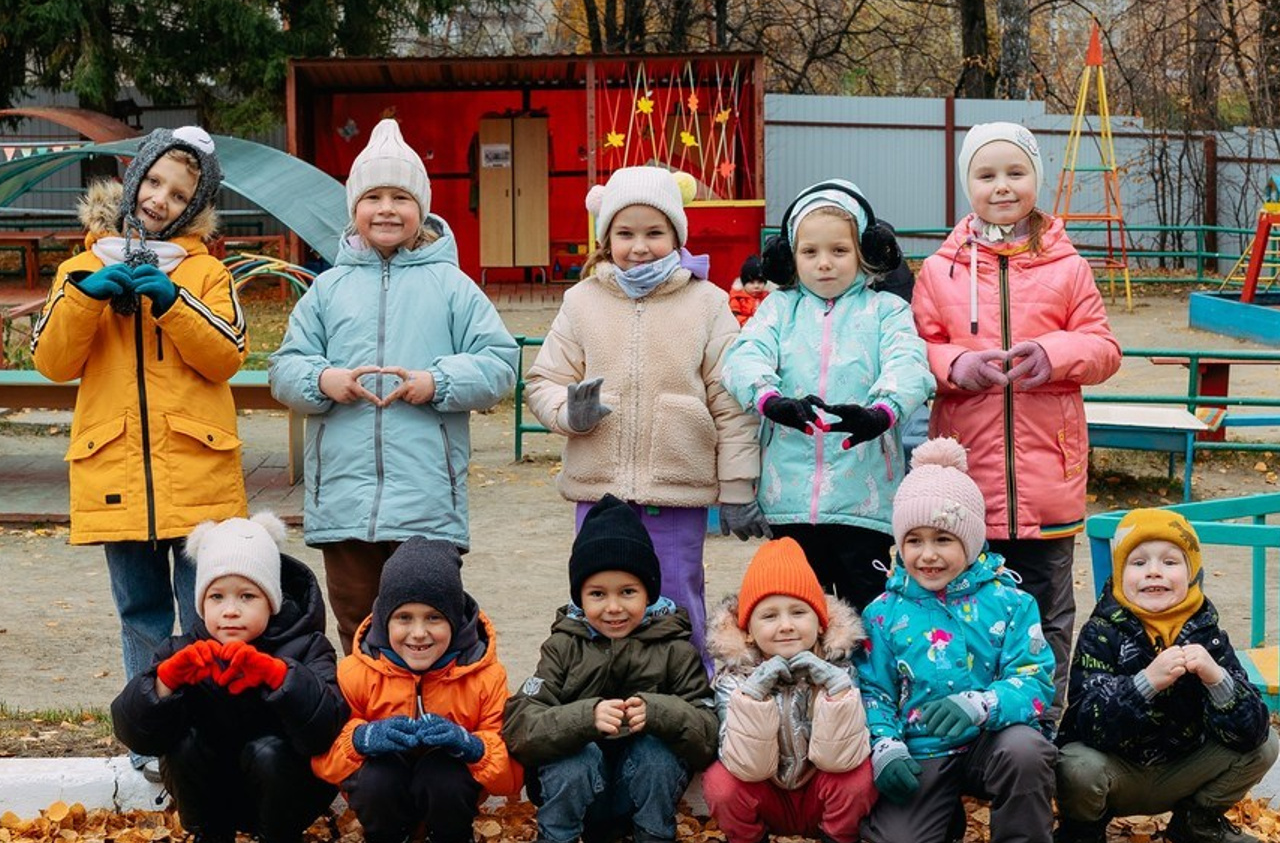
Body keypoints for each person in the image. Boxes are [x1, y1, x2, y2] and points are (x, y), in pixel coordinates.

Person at [33, 127, 248, 775]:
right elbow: (52, 361)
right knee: (141, 611)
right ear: (133, 181)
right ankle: (155, 737)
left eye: (178, 192)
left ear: (194, 205)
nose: (160, 198)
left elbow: (226, 356)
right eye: (153, 182)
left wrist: (173, 302)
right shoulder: (80, 266)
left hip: (197, 473)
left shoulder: (207, 272)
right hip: (114, 469)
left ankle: (207, 731)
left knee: (208, 609)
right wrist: (84, 297)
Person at [269, 118, 517, 652]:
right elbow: (285, 368)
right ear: (354, 209)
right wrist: (323, 379)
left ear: (421, 208)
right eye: (372, 196)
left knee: (428, 625)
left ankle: (432, 722)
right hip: (344, 499)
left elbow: (501, 365)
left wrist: (438, 382)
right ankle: (364, 724)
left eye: (401, 196)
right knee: (357, 622)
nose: (386, 208)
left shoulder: (453, 287)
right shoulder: (327, 290)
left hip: (427, 498)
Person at [912, 122, 1121, 724]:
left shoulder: (1068, 266)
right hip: (965, 476)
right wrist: (957, 365)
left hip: (1047, 478)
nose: (1002, 186)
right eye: (986, 175)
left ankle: (1042, 726)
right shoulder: (940, 271)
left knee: (1049, 607)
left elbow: (1103, 347)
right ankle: (964, 726)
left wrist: (1052, 355)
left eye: (1015, 173)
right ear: (966, 185)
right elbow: (914, 351)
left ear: (1036, 179)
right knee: (964, 606)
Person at [523, 164, 763, 658]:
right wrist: (571, 414)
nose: (639, 246)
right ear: (605, 238)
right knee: (602, 609)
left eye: (654, 233)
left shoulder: (708, 304)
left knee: (676, 606)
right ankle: (604, 704)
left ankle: (691, 702)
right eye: (625, 233)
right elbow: (544, 380)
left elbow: (731, 400)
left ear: (676, 235)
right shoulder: (582, 301)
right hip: (599, 490)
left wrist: (738, 484)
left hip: (677, 493)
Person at [859, 438, 1057, 843]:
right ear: (898, 544)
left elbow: (1034, 677)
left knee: (1026, 750)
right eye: (914, 541)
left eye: (943, 540)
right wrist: (885, 744)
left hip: (993, 741)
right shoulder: (883, 614)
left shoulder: (1012, 603)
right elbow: (873, 689)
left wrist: (981, 704)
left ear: (970, 542)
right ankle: (942, 832)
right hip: (924, 746)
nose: (928, 555)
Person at [720, 179, 934, 611]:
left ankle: (871, 682)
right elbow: (742, 359)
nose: (824, 264)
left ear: (864, 253)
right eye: (809, 252)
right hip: (790, 499)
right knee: (800, 610)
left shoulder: (886, 311)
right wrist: (769, 399)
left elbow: (909, 364)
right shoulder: (778, 309)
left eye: (839, 251)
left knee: (869, 613)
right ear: (790, 257)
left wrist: (881, 411)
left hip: (865, 497)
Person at [110, 514, 346, 843]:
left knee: (269, 750)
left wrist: (279, 677)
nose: (230, 610)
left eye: (247, 596)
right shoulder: (181, 650)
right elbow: (137, 733)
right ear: (202, 603)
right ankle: (210, 841)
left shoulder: (308, 646)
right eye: (217, 597)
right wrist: (164, 683)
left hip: (287, 790)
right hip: (213, 790)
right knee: (185, 743)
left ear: (273, 601)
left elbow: (327, 728)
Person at [503, 495, 719, 843]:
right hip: (581, 790)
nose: (613, 608)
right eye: (598, 594)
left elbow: (707, 729)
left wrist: (660, 712)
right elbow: (520, 724)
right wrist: (584, 718)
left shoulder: (674, 647)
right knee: (575, 756)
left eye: (628, 592)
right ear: (579, 598)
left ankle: (656, 840)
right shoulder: (563, 646)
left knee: (656, 751)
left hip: (640, 788)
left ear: (649, 593)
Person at [1054, 508, 1278, 843]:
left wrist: (1216, 679)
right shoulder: (1101, 633)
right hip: (1116, 772)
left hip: (1184, 769)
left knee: (1266, 744)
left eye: (1170, 562)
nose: (1154, 571)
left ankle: (1196, 823)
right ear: (1119, 573)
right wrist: (1145, 683)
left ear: (1191, 574)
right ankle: (1084, 831)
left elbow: (1251, 730)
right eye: (1139, 562)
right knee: (1075, 765)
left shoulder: (1207, 633)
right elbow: (1085, 721)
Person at [312, 536, 521, 843]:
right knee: (380, 772)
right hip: (383, 795)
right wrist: (362, 738)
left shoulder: (486, 675)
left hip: (448, 793)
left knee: (444, 770)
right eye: (404, 618)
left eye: (434, 617)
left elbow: (512, 778)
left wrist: (472, 746)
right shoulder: (355, 671)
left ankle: (453, 841)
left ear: (454, 620)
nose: (419, 633)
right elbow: (323, 759)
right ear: (383, 620)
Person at [701, 536, 877, 843]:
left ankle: (841, 841)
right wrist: (755, 692)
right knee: (721, 782)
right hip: (764, 791)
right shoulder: (732, 680)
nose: (785, 625)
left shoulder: (842, 671)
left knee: (860, 775)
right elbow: (746, 765)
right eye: (769, 616)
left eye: (798, 612)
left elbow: (840, 758)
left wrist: (836, 687)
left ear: (822, 623)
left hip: (820, 789)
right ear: (748, 633)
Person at [729, 254, 770, 326]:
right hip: (742, 330)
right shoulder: (737, 298)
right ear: (744, 283)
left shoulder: (768, 297)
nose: (756, 286)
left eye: (760, 282)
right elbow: (734, 318)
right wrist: (751, 323)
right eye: (751, 282)